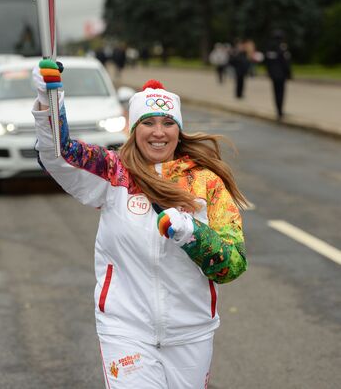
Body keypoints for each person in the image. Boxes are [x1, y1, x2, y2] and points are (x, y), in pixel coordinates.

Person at [31, 62, 248, 389]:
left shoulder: (206, 184)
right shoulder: (113, 172)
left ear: (179, 130)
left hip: (191, 332)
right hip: (125, 329)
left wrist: (193, 235)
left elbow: (232, 265)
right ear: (134, 129)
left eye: (167, 123)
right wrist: (50, 101)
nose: (158, 132)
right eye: (148, 122)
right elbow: (61, 156)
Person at [264, 30, 292, 120]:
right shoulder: (282, 47)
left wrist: (269, 72)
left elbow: (267, 62)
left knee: (275, 92)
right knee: (281, 93)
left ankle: (278, 110)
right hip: (281, 74)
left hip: (273, 74)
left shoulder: (269, 47)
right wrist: (289, 73)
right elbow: (285, 62)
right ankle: (280, 111)